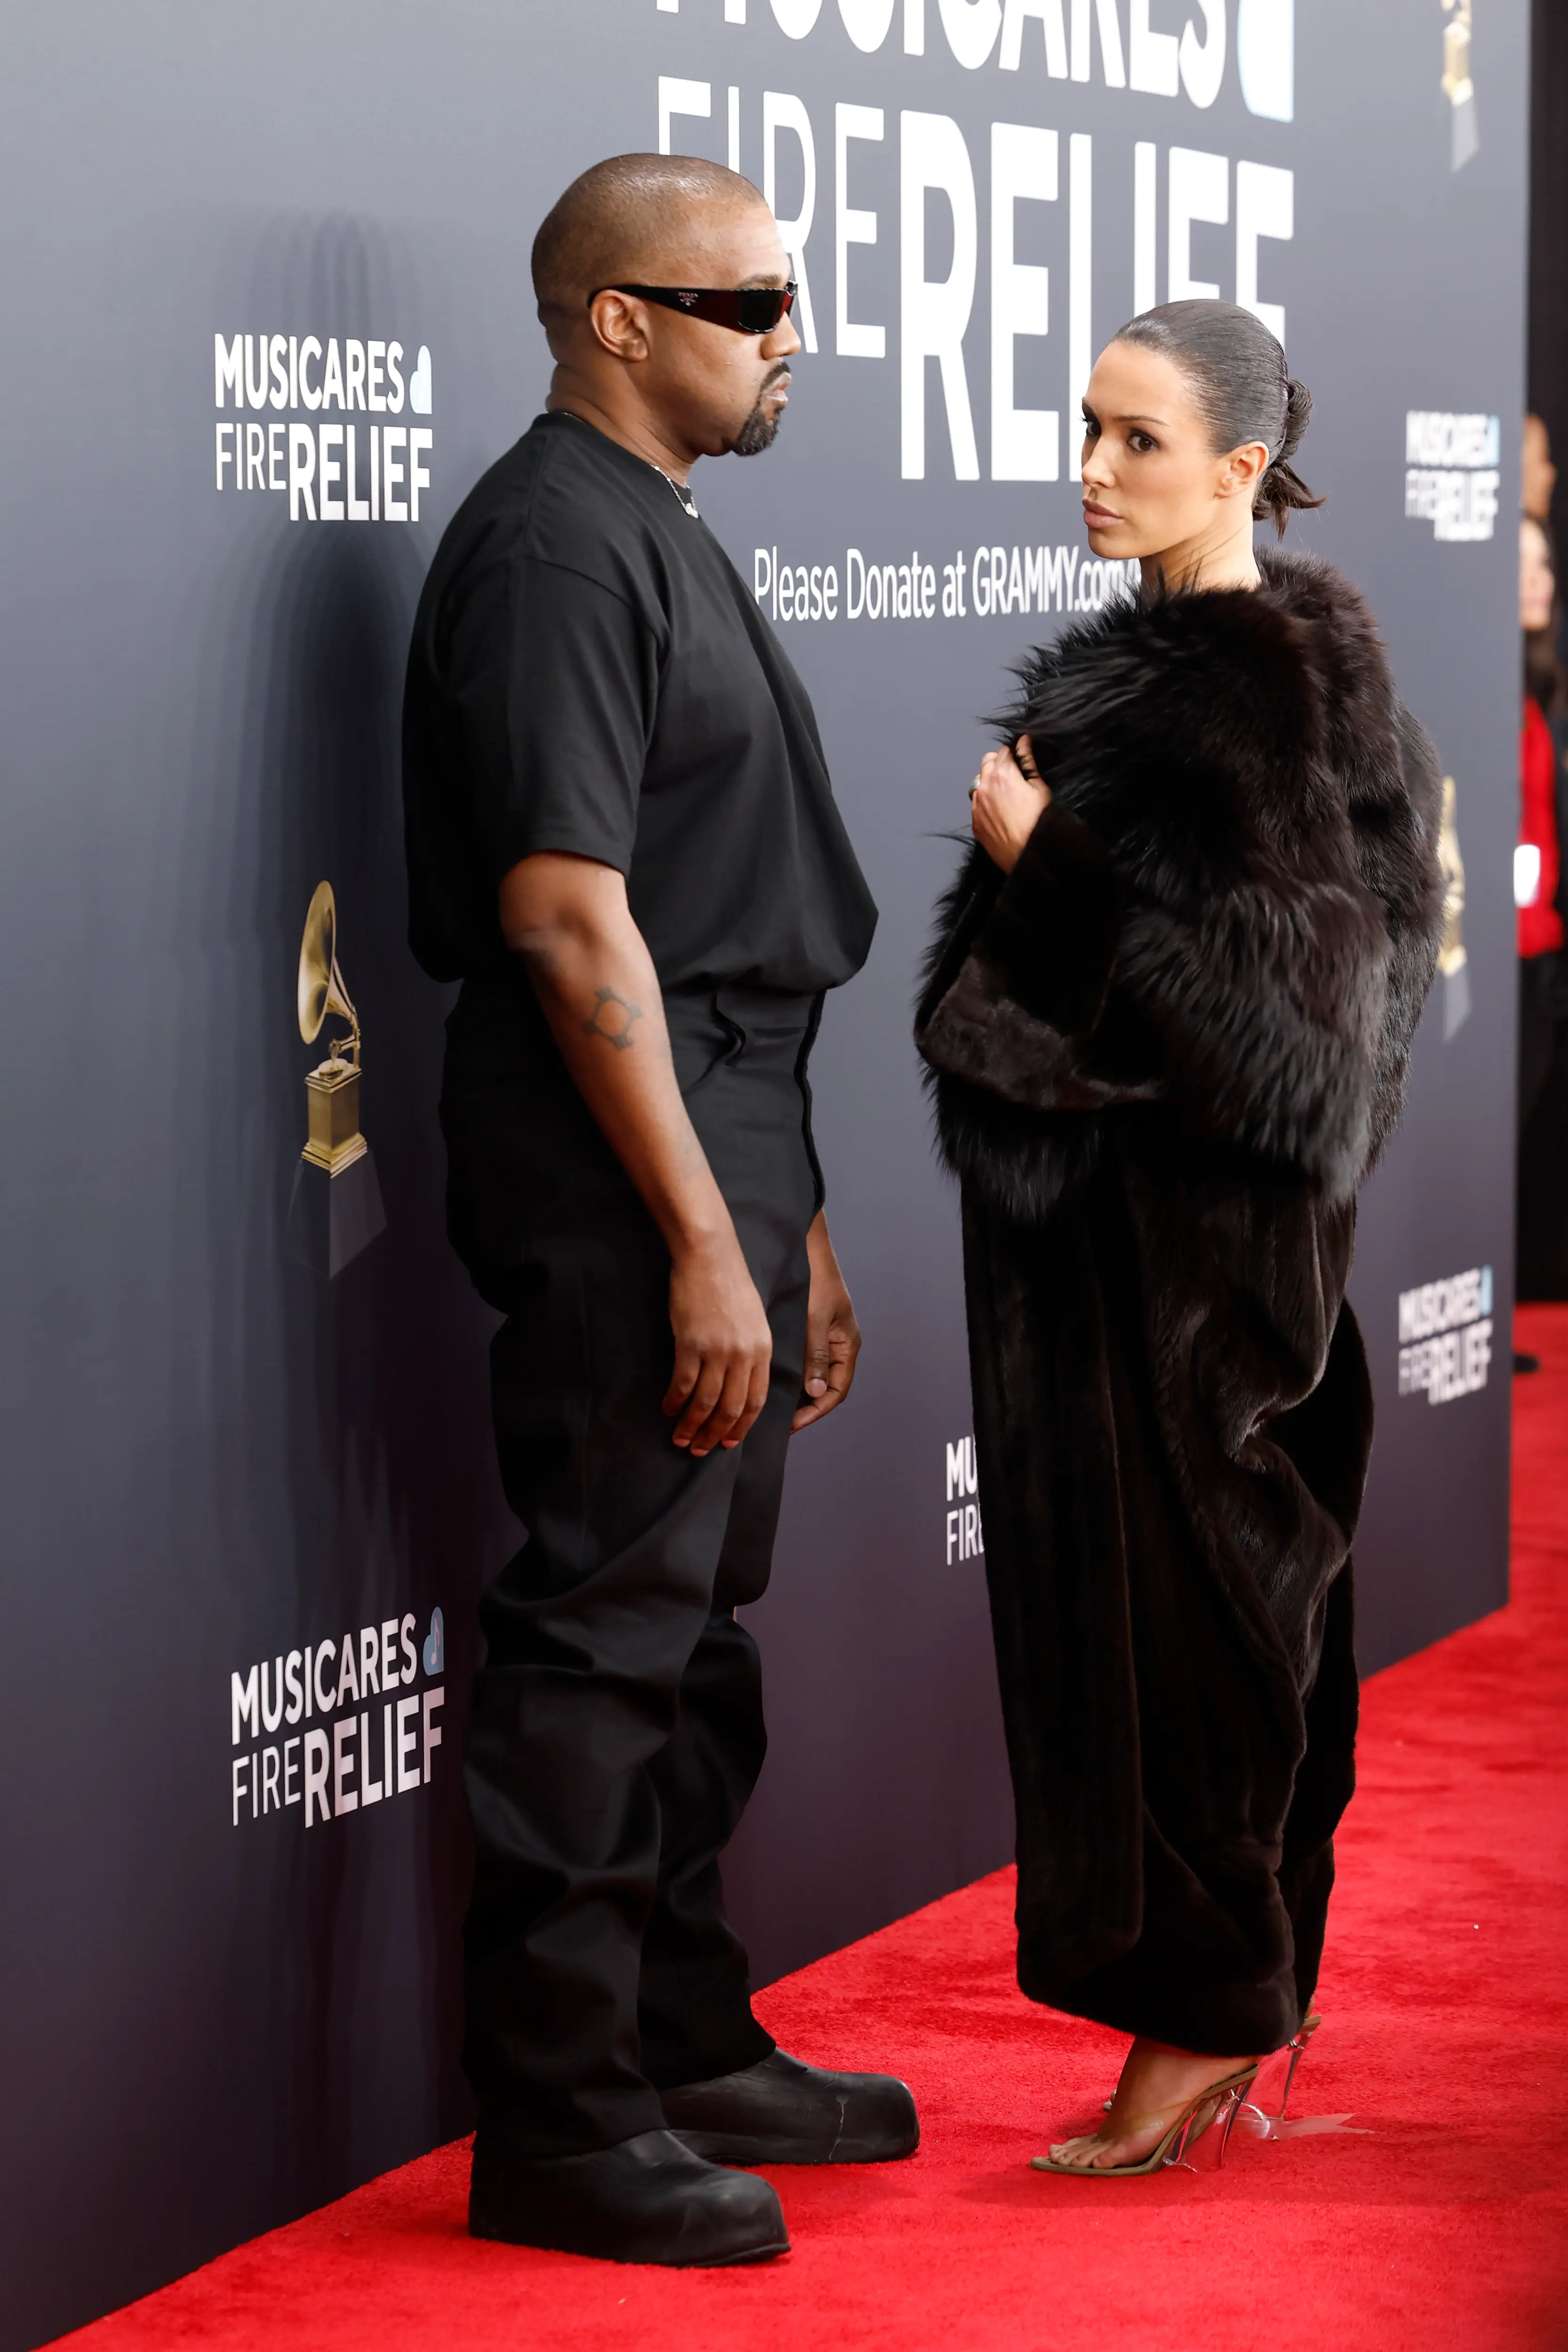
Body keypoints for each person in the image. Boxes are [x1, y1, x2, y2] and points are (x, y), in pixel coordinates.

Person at [403, 153, 912, 2268]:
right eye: (747, 299)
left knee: (694, 1630)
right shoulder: (548, 546)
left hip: (718, 1125)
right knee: (606, 1632)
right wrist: (700, 1229)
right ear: (617, 318)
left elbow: (713, 917)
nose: (789, 332)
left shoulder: (656, 529)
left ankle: (683, 2034)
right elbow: (562, 908)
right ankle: (556, 2119)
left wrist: (777, 1218)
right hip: (623, 1152)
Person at [915, 301, 1444, 2176]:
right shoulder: (1276, 663)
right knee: (1224, 1629)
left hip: (1172, 1276)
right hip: (1207, 1251)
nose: (1089, 468)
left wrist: (1040, 880)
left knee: (1185, 1636)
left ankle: (1202, 2012)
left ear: (1238, 465)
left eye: (1136, 440)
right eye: (1082, 428)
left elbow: (1283, 1033)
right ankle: (1231, 1996)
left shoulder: (1218, 687)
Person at [1516, 512, 1568, 1310]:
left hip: (1539, 946)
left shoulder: (1537, 688)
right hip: (1497, 951)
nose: (1541, 579)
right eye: (1522, 563)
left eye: (1545, 563)